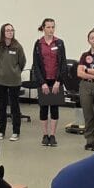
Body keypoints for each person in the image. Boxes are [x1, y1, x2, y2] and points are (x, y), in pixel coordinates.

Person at [30, 18, 67, 147]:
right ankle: (45, 135)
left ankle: (53, 135)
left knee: (55, 109)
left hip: (56, 81)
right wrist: (42, 83)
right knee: (44, 109)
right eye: (48, 27)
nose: (51, 30)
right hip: (44, 81)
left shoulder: (60, 43)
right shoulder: (38, 44)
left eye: (53, 27)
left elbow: (63, 64)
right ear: (43, 28)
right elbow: (36, 65)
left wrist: (58, 81)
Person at [0, 23, 25, 142]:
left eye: (12, 30)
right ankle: (1, 131)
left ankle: (16, 131)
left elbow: (22, 62)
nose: (10, 32)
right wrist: (3, 71)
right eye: (7, 30)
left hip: (14, 81)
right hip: (1, 80)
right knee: (2, 106)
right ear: (3, 32)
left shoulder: (18, 47)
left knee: (15, 107)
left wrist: (15, 72)